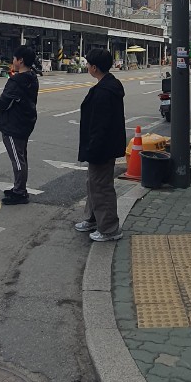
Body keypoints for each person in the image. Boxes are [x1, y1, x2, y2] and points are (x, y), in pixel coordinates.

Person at [75, 47, 126, 243]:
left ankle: (109, 228)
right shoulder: (108, 86)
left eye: (88, 64)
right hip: (102, 146)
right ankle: (93, 219)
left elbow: (100, 126)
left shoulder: (104, 92)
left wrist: (92, 149)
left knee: (101, 186)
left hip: (102, 148)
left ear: (95, 68)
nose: (87, 66)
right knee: (93, 183)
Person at [0, 45, 39, 205]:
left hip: (14, 125)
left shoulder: (16, 81)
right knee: (21, 157)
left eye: (14, 58)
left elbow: (3, 102)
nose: (13, 61)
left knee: (17, 159)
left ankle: (20, 193)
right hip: (26, 122)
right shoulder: (32, 77)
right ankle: (18, 188)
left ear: (20, 60)